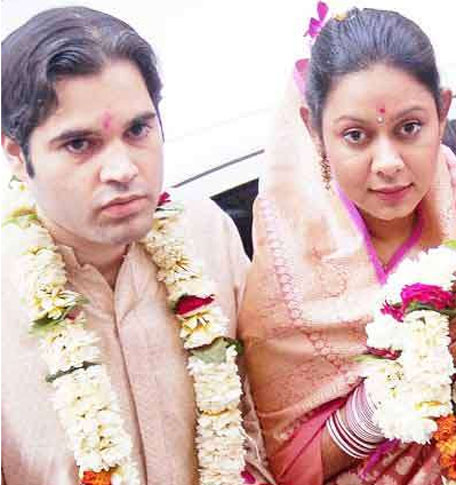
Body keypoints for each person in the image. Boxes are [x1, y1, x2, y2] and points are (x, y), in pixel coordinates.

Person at [1, 7, 275, 485]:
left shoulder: (209, 234)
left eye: (137, 130)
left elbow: (254, 427)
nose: (122, 169)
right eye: (80, 144)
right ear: (17, 156)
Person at [238, 7, 456, 485]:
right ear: (314, 130)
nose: (388, 163)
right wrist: (379, 405)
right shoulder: (288, 274)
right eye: (356, 136)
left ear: (443, 110)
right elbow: (289, 468)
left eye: (409, 128)